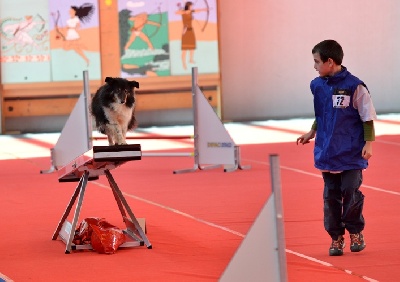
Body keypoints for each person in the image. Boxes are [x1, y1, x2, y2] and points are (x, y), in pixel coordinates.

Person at [296, 39, 377, 256]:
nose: (314, 67)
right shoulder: (317, 85)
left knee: (350, 191)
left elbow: (367, 117)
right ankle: (336, 237)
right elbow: (322, 114)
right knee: (331, 197)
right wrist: (311, 132)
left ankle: (355, 231)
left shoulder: (355, 86)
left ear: (330, 62)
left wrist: (369, 143)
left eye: (316, 62)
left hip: (351, 151)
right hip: (327, 151)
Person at [175, 1, 208, 70]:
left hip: (191, 31)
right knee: (184, 49)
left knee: (192, 47)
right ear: (188, 6)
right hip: (185, 31)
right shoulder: (183, 12)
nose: (192, 7)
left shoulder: (191, 11)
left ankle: (191, 59)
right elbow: (176, 12)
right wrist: (185, 12)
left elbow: (197, 10)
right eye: (191, 6)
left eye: (192, 6)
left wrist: (204, 9)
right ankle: (183, 64)